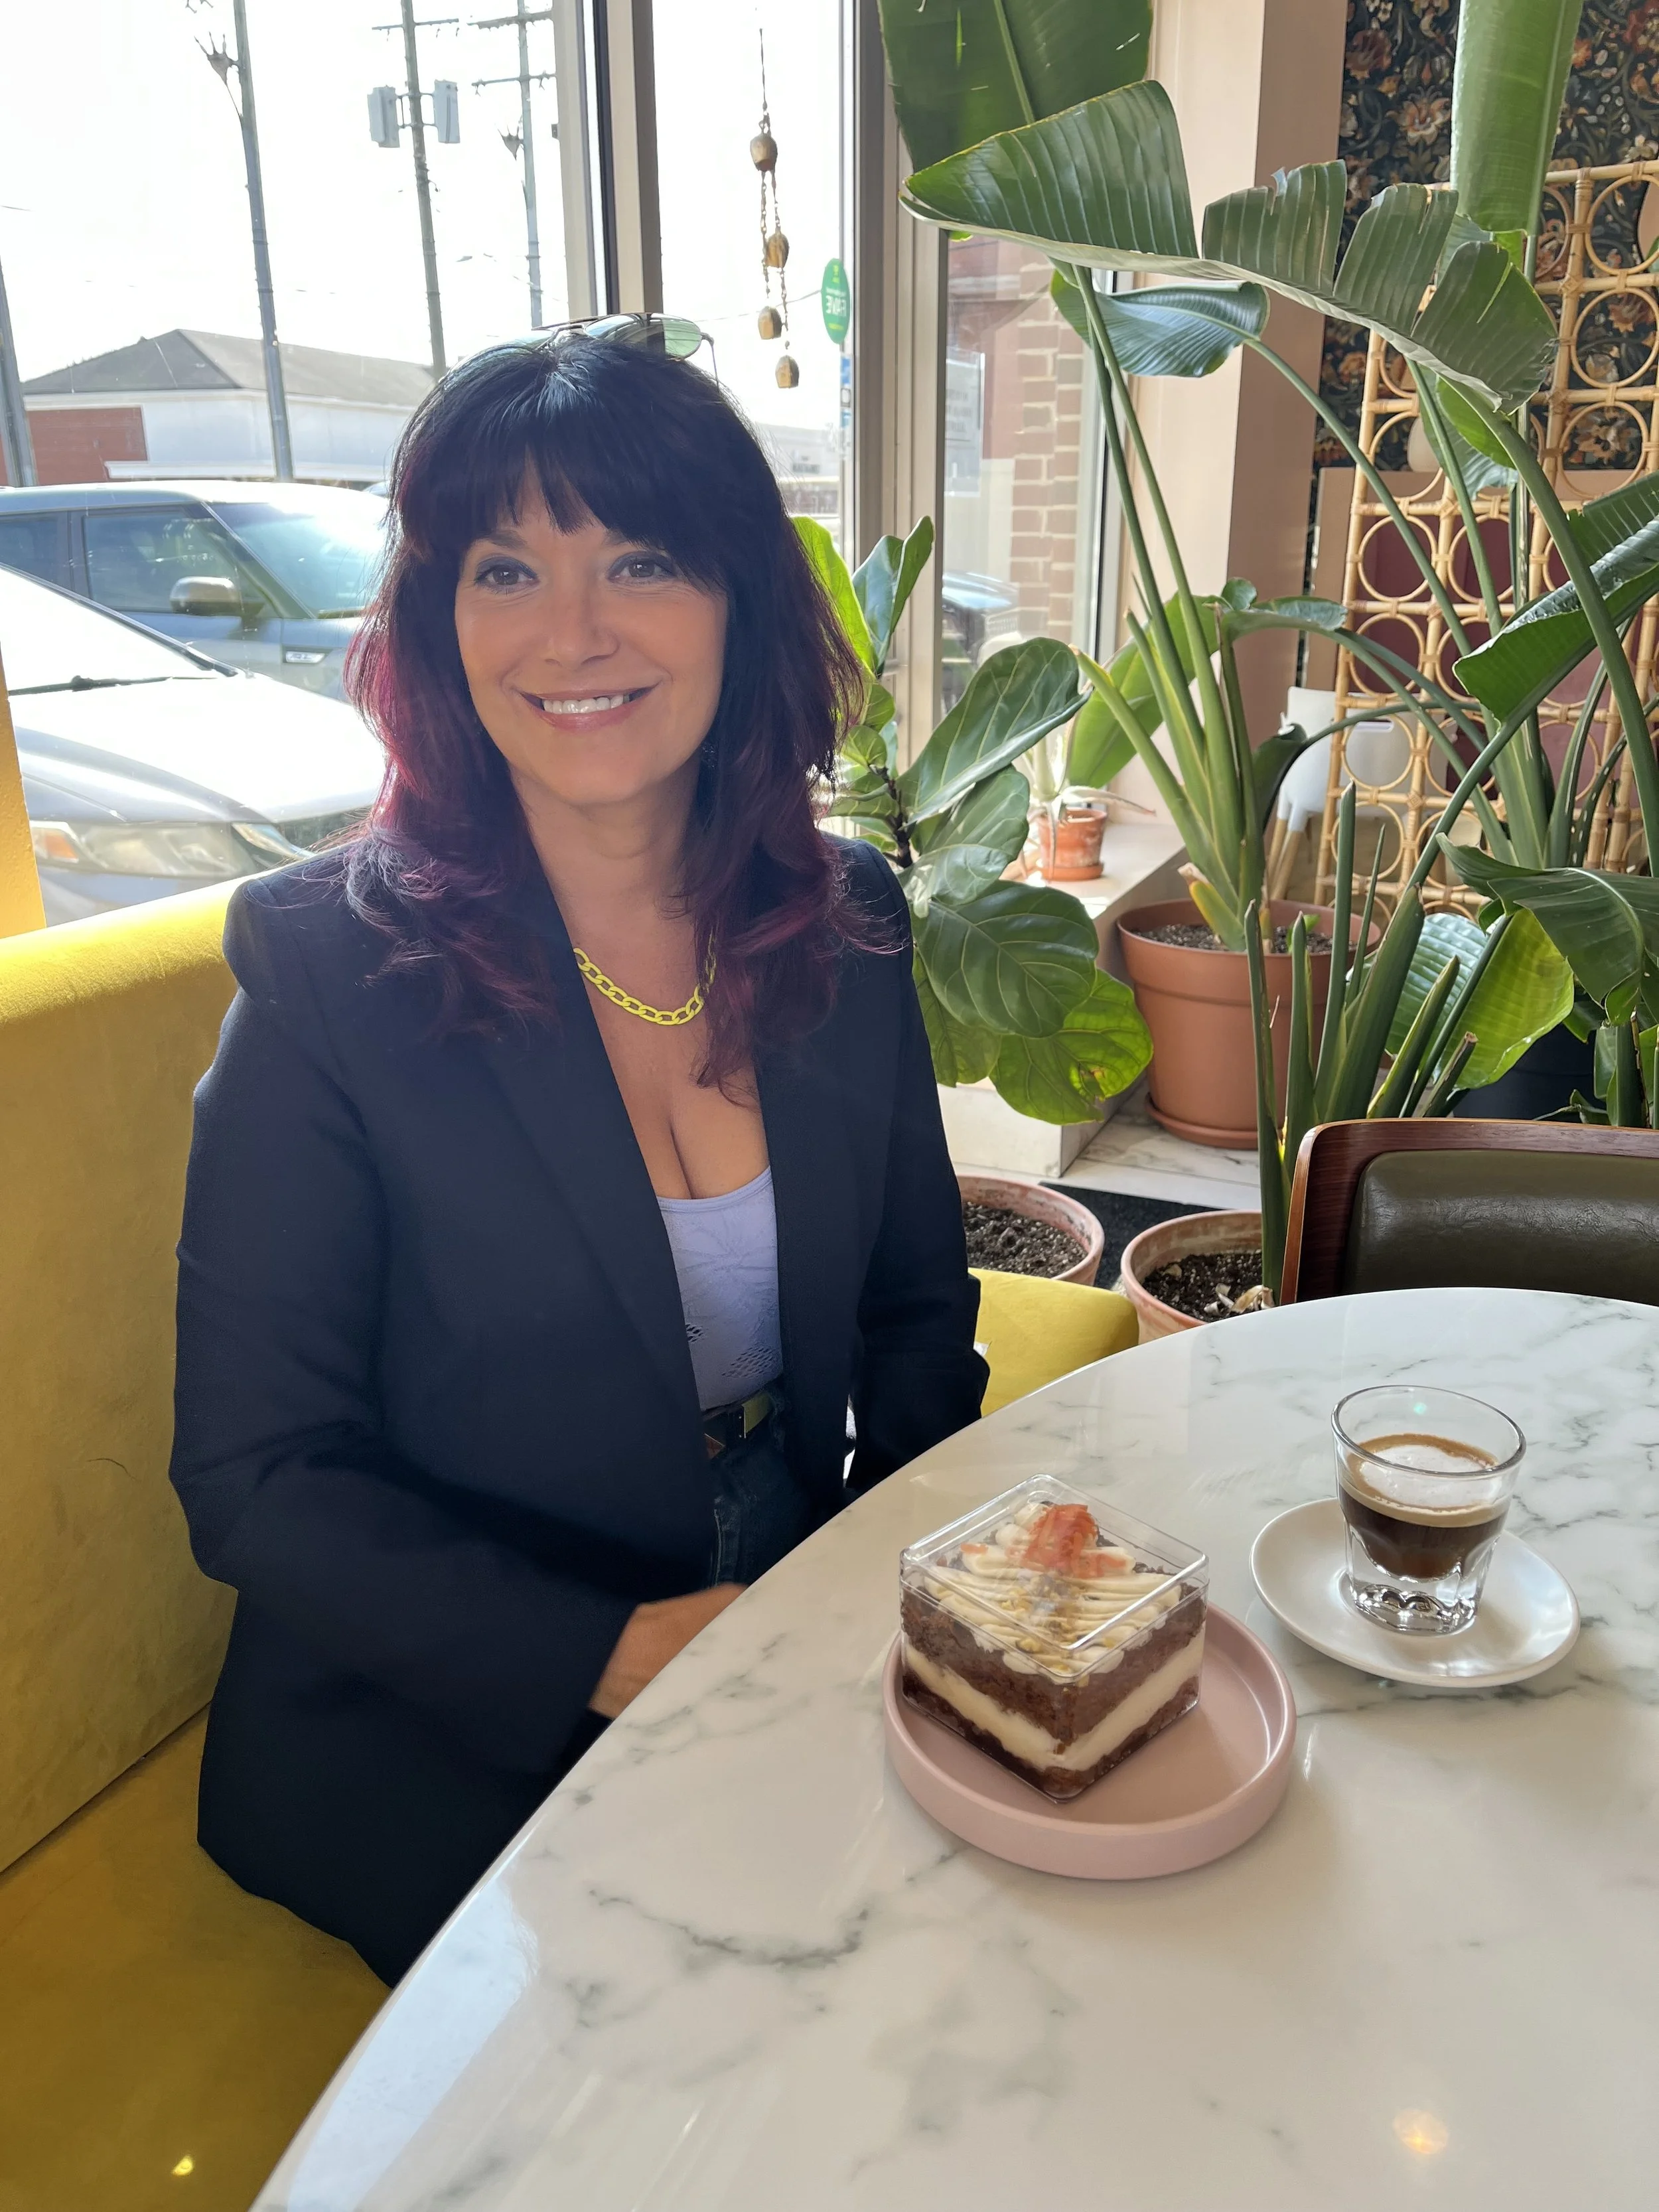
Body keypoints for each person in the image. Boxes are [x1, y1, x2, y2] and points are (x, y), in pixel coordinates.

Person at [168, 327, 986, 1985]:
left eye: (640, 558)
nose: (573, 633)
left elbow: (911, 1312)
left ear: (739, 601)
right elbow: (256, 1476)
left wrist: (909, 1598)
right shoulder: (330, 977)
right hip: (458, 1705)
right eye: (502, 569)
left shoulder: (846, 928)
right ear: (433, 620)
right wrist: (606, 1653)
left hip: (778, 1587)